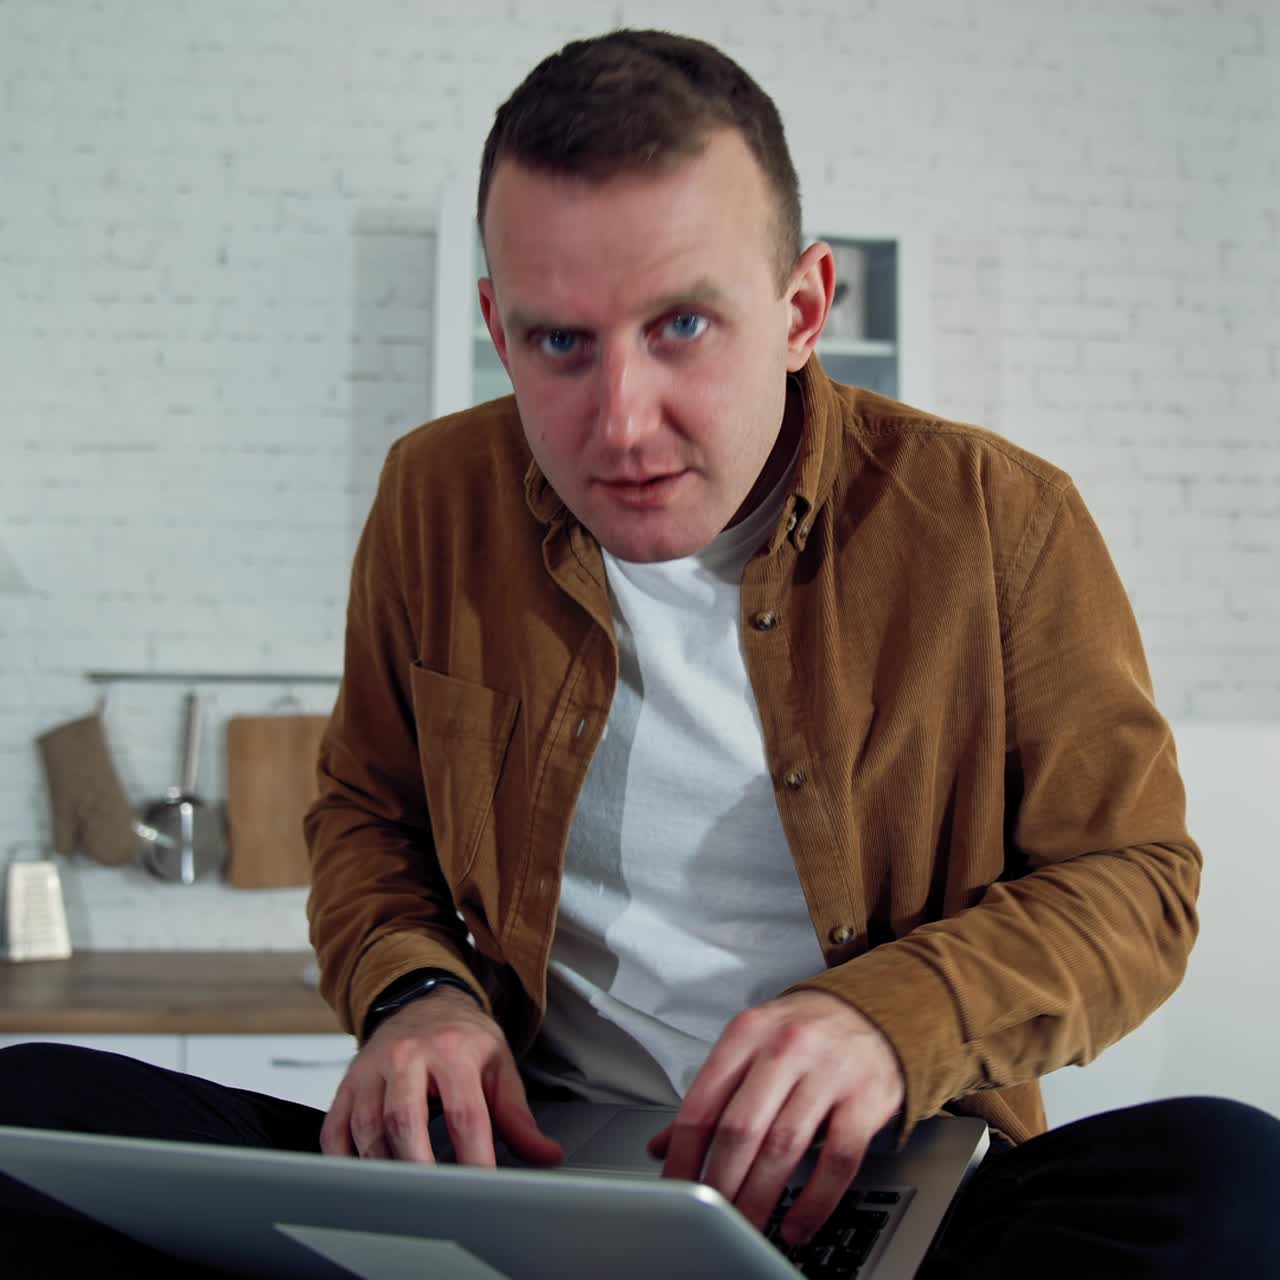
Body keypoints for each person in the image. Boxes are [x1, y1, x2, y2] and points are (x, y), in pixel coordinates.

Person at [1, 27, 1278, 1279]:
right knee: (31, 1114)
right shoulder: (432, 495)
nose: (619, 423)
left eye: (681, 327)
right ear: (499, 328)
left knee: (1230, 1175)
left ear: (800, 308)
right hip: (521, 1166)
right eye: (560, 342)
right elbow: (364, 816)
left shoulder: (998, 517)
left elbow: (1132, 882)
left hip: (888, 1176)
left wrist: (886, 1021)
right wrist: (413, 998)